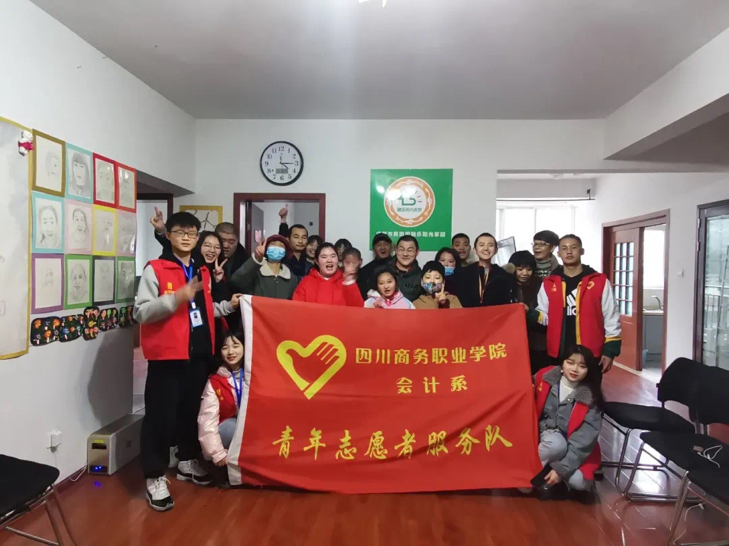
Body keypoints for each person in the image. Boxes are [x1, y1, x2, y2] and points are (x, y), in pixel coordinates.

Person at [133, 212, 242, 512]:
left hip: (198, 355)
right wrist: (175, 298)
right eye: (180, 232)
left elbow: (203, 309)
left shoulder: (201, 270)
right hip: (167, 357)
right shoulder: (155, 269)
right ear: (168, 235)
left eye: (192, 233)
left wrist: (227, 306)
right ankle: (154, 476)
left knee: (189, 412)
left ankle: (186, 460)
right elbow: (141, 312)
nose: (186, 237)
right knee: (160, 417)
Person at [530, 234, 621, 372]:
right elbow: (545, 317)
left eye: (573, 247)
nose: (569, 252)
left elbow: (611, 317)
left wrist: (610, 351)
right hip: (558, 353)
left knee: (590, 386)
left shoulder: (600, 281)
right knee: (558, 386)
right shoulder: (549, 283)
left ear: (581, 251)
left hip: (591, 354)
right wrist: (528, 312)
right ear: (558, 253)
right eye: (564, 248)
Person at [533, 345, 604, 493]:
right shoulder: (545, 376)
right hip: (545, 436)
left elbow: (583, 441)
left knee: (579, 482)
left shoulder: (591, 397)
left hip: (575, 446)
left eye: (582, 366)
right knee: (556, 445)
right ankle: (526, 474)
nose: (575, 369)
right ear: (562, 363)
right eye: (570, 363)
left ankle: (551, 469)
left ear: (588, 370)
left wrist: (561, 470)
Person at [197, 329, 245, 487]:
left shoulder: (254, 374)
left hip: (253, 431)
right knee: (230, 427)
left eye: (236, 346)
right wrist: (217, 454)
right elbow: (207, 420)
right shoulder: (215, 381)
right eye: (225, 347)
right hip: (231, 432)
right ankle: (224, 468)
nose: (230, 352)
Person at [150, 209, 249, 279]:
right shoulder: (192, 254)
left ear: (237, 240)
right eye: (222, 241)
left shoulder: (243, 258)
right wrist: (162, 230)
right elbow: (174, 245)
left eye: (231, 241)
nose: (226, 246)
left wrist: (218, 281)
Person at [508, 251, 549, 374]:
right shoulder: (505, 285)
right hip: (512, 342)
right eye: (520, 269)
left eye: (529, 269)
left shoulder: (541, 285)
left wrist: (529, 312)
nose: (525, 273)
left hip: (537, 343)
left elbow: (546, 317)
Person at [293, 243, 363, 307]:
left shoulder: (346, 282)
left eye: (333, 256)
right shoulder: (306, 282)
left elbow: (358, 309)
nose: (329, 260)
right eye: (324, 257)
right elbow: (297, 309)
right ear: (317, 261)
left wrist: (350, 284)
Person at [457, 233, 516, 308]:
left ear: (496, 250)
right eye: (481, 245)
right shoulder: (464, 273)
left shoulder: (502, 275)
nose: (486, 248)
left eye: (490, 245)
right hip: (469, 313)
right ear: (475, 250)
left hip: (494, 314)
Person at [230, 235, 298, 300]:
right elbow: (236, 281)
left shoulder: (292, 279)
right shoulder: (254, 273)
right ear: (266, 248)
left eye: (281, 245)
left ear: (285, 252)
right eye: (273, 244)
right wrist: (256, 260)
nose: (276, 247)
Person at [277, 206, 312, 280]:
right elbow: (281, 240)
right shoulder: (282, 261)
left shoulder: (309, 265)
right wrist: (283, 220)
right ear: (288, 239)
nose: (300, 241)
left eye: (304, 237)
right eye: (296, 237)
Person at [357, 233, 393, 299]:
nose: (382, 247)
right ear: (374, 250)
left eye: (385, 244)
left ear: (391, 248)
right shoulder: (365, 271)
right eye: (379, 245)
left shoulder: (398, 266)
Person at [392, 235, 422, 302]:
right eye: (401, 249)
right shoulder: (384, 271)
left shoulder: (421, 276)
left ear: (417, 252)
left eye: (410, 250)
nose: (405, 254)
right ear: (396, 250)